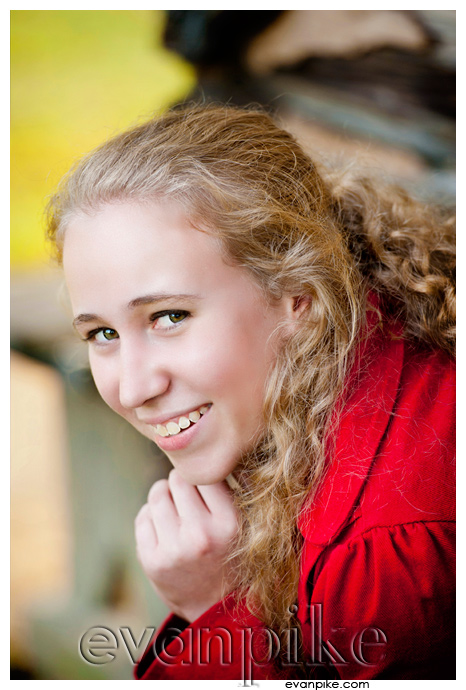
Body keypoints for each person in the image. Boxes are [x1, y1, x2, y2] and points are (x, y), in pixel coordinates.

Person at [46, 104, 455, 681]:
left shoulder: (384, 559)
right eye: (102, 334)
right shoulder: (365, 330)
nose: (134, 388)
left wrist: (216, 607)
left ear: (297, 298)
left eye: (169, 316)